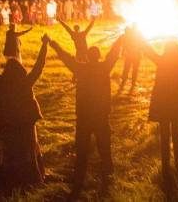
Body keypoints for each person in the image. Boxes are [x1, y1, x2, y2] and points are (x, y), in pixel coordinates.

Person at [50, 34, 124, 192]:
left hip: (84, 116)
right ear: (98, 57)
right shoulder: (104, 67)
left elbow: (66, 57)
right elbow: (113, 54)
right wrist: (121, 39)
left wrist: (54, 43)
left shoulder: (81, 69)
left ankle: (78, 180)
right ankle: (108, 177)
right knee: (104, 148)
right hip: (101, 115)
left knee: (81, 150)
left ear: (88, 57)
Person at [0, 36, 49, 195]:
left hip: (7, 124)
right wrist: (44, 45)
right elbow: (39, 66)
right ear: (21, 71)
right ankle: (31, 179)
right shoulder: (25, 81)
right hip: (26, 123)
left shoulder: (1, 82)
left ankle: (5, 183)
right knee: (28, 149)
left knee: (7, 152)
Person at [142, 24, 178, 179]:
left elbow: (148, 50)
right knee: (176, 133)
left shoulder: (161, 60)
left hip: (164, 103)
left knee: (164, 134)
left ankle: (165, 163)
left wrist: (138, 34)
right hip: (177, 103)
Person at [118, 25, 144, 95]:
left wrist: (123, 52)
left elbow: (125, 45)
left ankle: (125, 82)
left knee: (127, 69)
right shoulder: (137, 35)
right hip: (135, 56)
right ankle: (131, 83)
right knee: (133, 70)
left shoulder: (129, 36)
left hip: (131, 56)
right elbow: (141, 45)